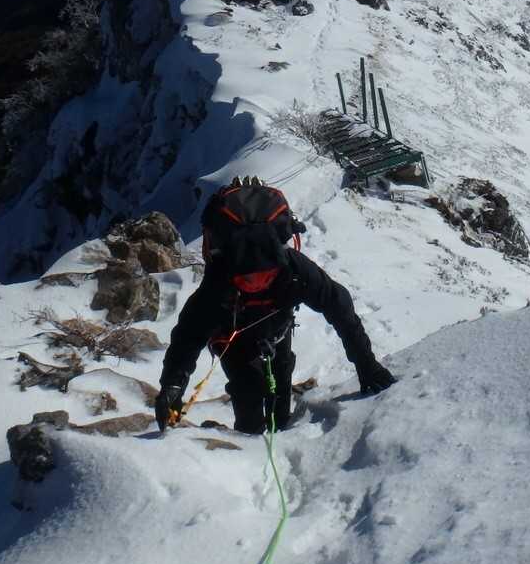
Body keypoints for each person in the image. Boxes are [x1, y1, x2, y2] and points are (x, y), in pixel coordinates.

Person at [155, 178, 396, 434]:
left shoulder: (293, 270)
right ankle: (248, 443)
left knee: (280, 393)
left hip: (275, 331)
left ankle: (276, 429)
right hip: (237, 339)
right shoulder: (225, 280)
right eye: (248, 278)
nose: (256, 283)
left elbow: (339, 308)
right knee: (248, 392)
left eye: (264, 277)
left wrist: (366, 364)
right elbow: (189, 336)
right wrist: (173, 385)